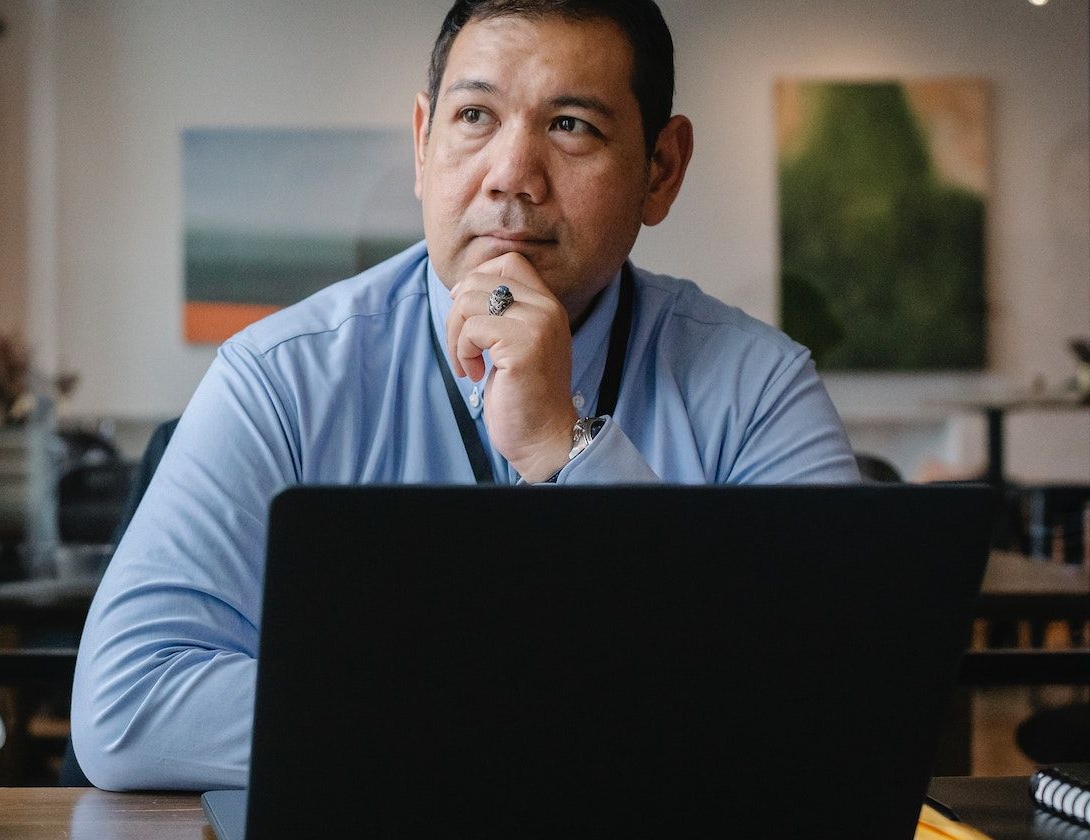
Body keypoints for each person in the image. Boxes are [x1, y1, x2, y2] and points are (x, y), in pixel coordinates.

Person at [72, 0, 859, 791]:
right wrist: (525, 712)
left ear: (661, 169)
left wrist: (567, 444)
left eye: (573, 126)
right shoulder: (279, 378)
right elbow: (127, 705)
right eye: (475, 115)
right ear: (423, 143)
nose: (512, 175)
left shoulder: (758, 385)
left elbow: (837, 709)